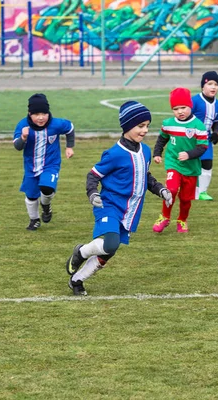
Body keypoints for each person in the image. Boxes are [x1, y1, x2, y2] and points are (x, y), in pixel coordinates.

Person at [64, 101, 172, 296]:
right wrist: (93, 193)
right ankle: (80, 252)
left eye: (147, 125)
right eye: (140, 126)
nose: (145, 130)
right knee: (110, 243)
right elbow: (93, 176)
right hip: (109, 205)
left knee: (109, 252)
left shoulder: (145, 151)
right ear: (127, 126)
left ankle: (77, 280)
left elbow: (145, 176)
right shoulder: (114, 154)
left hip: (130, 210)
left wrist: (161, 190)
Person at [13, 94, 75, 231]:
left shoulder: (56, 124)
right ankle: (34, 219)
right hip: (31, 167)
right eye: (36, 114)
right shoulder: (22, 125)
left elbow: (70, 128)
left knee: (47, 188)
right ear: (30, 114)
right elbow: (17, 147)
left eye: (44, 113)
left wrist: (69, 147)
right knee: (31, 195)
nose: (40, 117)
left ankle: (46, 205)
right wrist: (23, 138)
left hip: (50, 165)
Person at [152, 87, 209, 233]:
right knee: (170, 189)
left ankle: (182, 220)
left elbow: (203, 147)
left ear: (190, 105)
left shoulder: (198, 126)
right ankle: (164, 217)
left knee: (185, 199)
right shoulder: (168, 123)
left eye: (183, 107)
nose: (180, 111)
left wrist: (189, 154)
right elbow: (162, 139)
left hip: (191, 168)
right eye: (176, 109)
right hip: (174, 163)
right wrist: (157, 153)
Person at [192, 71, 218, 201]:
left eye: (216, 84)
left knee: (207, 163)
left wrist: (217, 132)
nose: (213, 87)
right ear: (203, 86)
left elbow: (216, 122)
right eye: (210, 83)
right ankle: (187, 189)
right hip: (191, 138)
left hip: (206, 139)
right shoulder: (194, 101)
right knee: (190, 164)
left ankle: (202, 192)